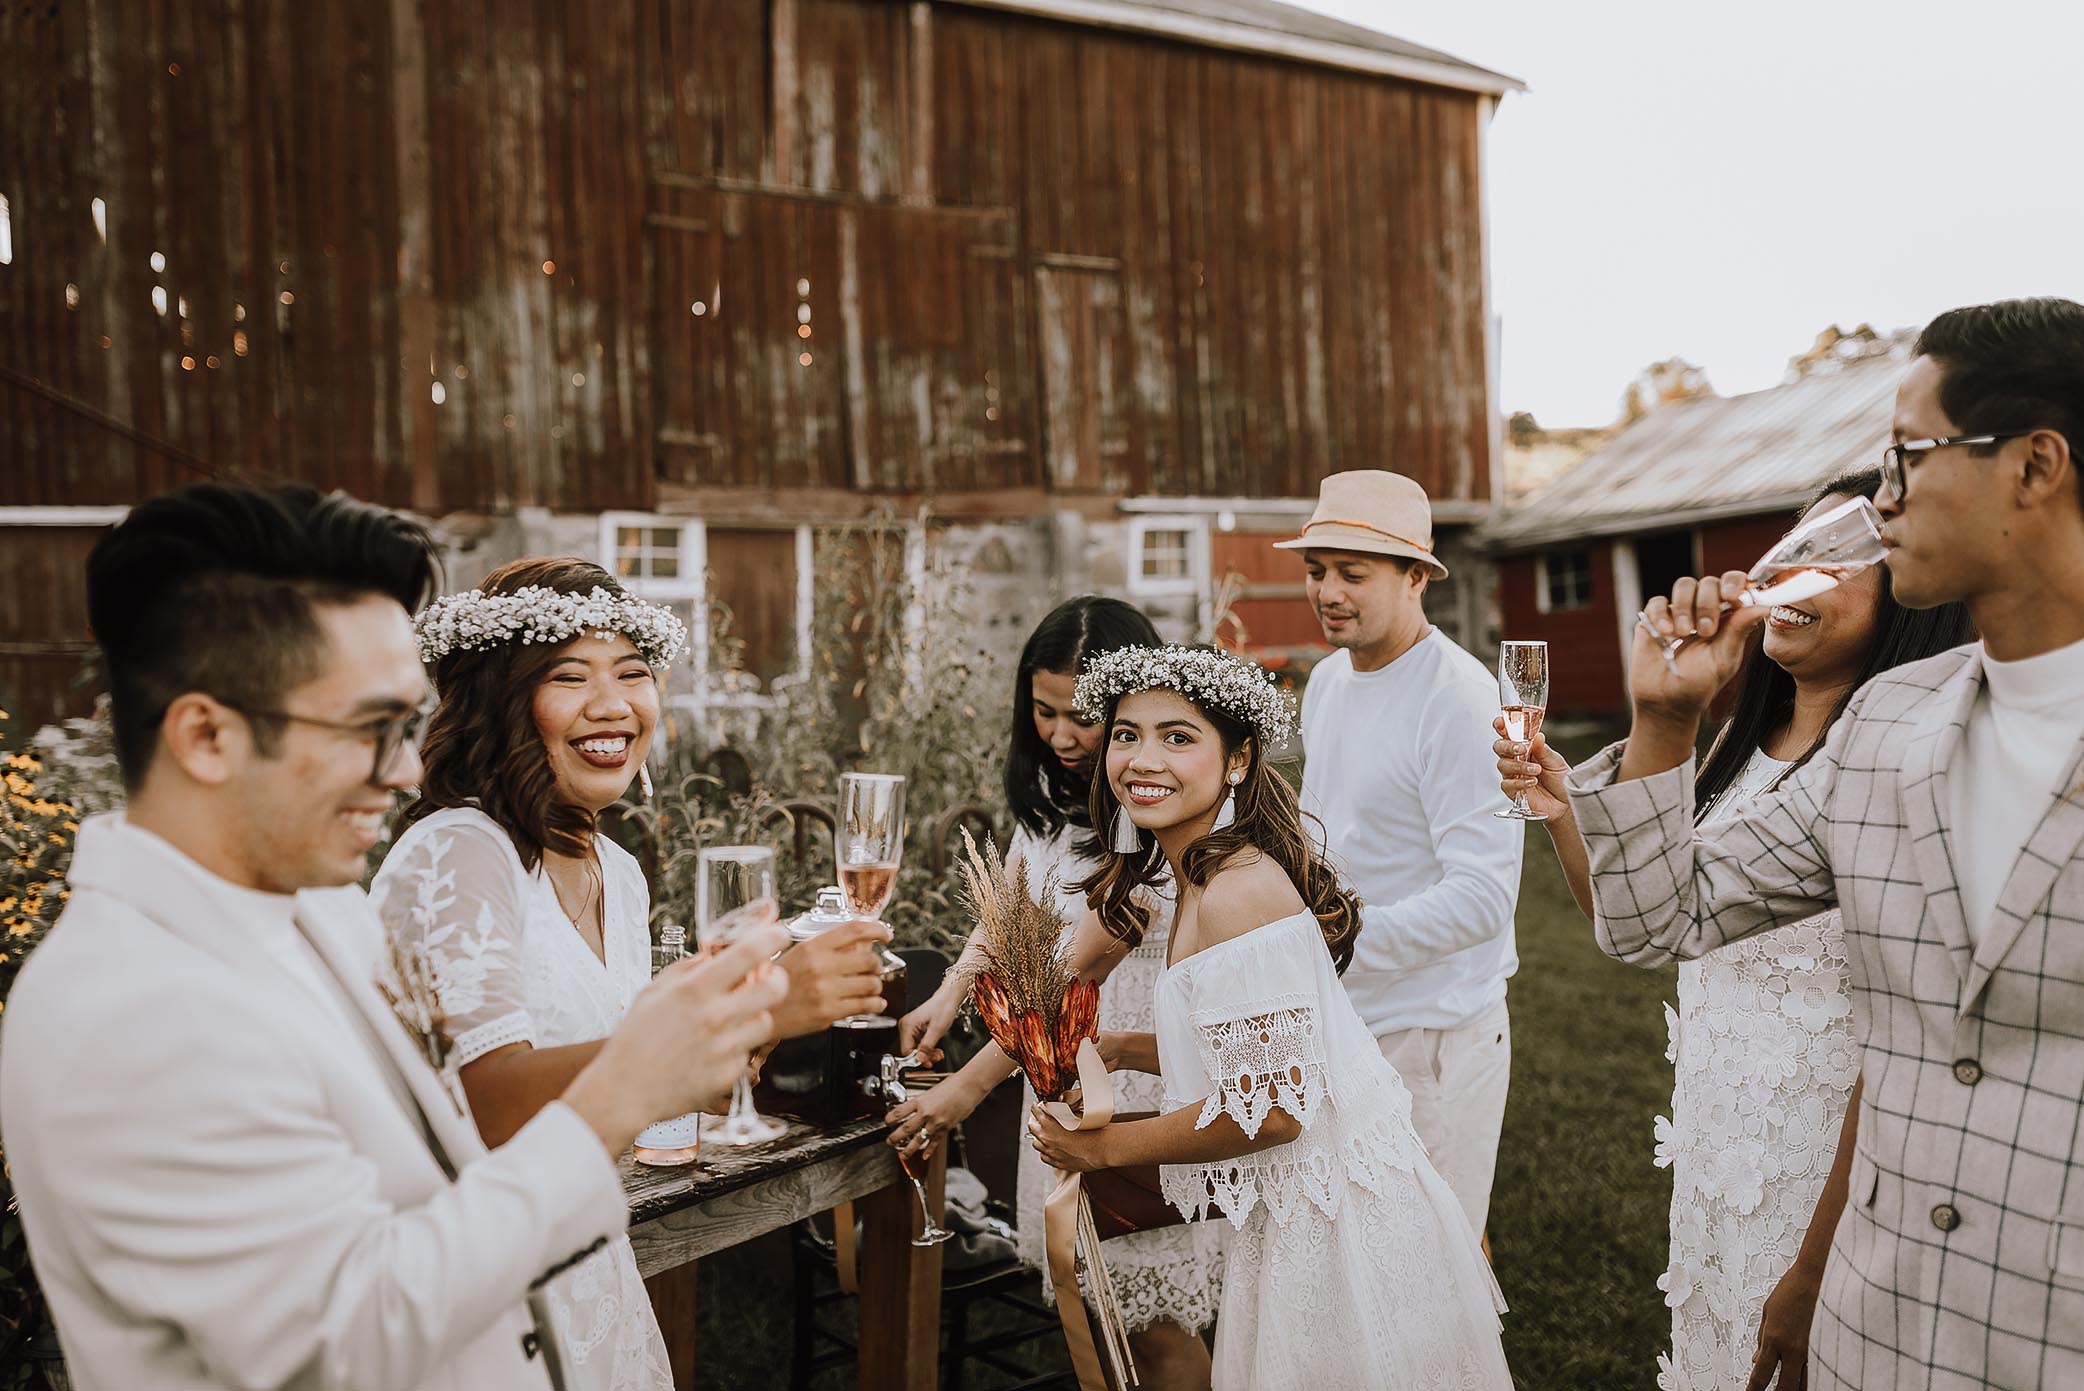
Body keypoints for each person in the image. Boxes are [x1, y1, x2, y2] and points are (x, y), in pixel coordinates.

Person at [0, 484, 787, 1391]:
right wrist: (625, 1083)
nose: (409, 766)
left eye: (406, 725)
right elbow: (348, 1339)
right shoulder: (129, 1007)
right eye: (368, 727)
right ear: (207, 736)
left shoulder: (321, 907)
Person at [1567, 297, 2084, 1389]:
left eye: (1905, 457)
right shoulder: (1886, 726)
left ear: (2035, 466)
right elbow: (1658, 920)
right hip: (1873, 1329)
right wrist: (1665, 721)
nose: (1878, 497)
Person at [1496, 471, 1973, 1391]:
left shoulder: (1903, 770)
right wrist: (1563, 809)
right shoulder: (1729, 752)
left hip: (1836, 1171)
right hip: (1721, 1148)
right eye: (1789, 550)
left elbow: (1904, 1048)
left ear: (1913, 597)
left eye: (1832, 560)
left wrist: (1816, 1263)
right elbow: (1646, 925)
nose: (1789, 575)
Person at [369, 556, 888, 1389]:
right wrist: (749, 1014)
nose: (613, 706)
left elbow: (621, 1086)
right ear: (502, 696)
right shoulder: (459, 851)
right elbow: (487, 1108)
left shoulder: (620, 869)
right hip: (484, 1301)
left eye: (634, 674)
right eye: (569, 676)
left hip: (589, 1265)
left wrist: (716, 1073)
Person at [1028, 644, 1513, 1391]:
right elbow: (1265, 1055)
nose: (1142, 758)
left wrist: (1102, 1149)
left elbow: (1276, 1109)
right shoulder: (1206, 870)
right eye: (1126, 733)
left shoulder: (1234, 891)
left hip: (1336, 1226)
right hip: (1300, 1214)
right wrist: (1127, 1047)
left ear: (1237, 760)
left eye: (1177, 736)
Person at [888, 596, 1226, 1389]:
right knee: (1096, 1310)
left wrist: (964, 1092)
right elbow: (1011, 904)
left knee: (1153, 1322)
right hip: (1058, 1070)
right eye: (1043, 712)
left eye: (1082, 717)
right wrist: (950, 994)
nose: (1064, 736)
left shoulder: (1151, 810)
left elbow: (1064, 976)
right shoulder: (1055, 793)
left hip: (1133, 1079)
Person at [1274, 468, 1523, 1237]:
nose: (1327, 591)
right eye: (1317, 571)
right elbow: (1328, 835)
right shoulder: (1327, 682)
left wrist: (1334, 938)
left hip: (1435, 1033)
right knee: (1357, 1273)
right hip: (1345, 1016)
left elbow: (1484, 896)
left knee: (1436, 1277)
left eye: (1353, 572)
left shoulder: (1459, 696)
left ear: (1417, 576)